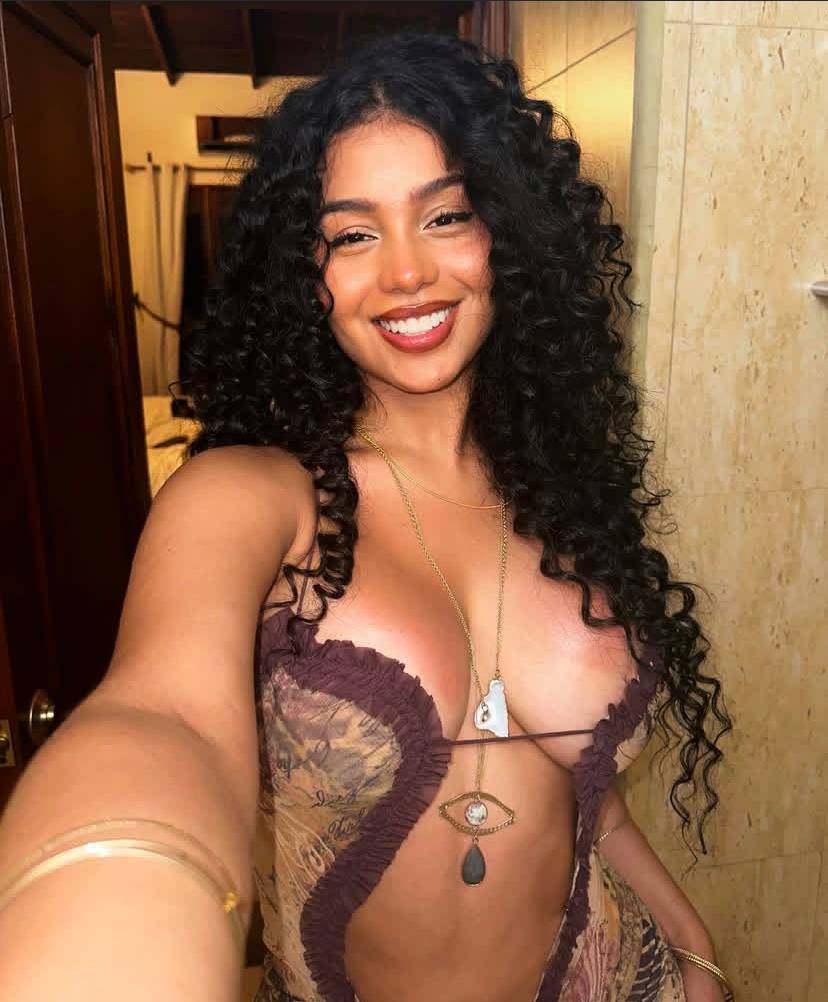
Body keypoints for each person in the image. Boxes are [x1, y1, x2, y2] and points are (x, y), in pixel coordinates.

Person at [0, 31, 733, 1002]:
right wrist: (111, 882)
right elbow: (162, 718)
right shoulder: (254, 499)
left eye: (446, 216)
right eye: (352, 235)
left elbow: (585, 799)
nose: (406, 273)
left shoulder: (568, 494)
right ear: (302, 274)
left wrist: (690, 943)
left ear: (509, 235)